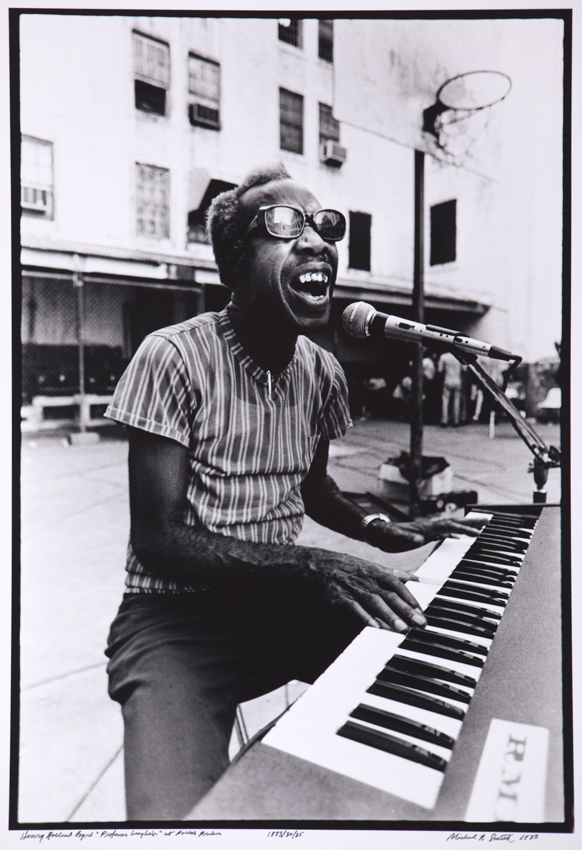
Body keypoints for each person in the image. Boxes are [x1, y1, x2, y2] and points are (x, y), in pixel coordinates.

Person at [104, 164, 484, 820]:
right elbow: (159, 540)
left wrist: (375, 527)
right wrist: (313, 563)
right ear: (231, 262)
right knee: (172, 819)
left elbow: (314, 489)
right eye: (283, 225)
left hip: (281, 604)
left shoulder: (323, 373)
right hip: (175, 620)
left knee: (451, 680)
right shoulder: (170, 356)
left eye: (324, 226)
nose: (315, 241)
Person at [438, 350, 464, 426]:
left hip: (447, 379)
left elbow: (440, 370)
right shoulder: (460, 356)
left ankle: (444, 420)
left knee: (445, 400)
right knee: (457, 400)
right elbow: (464, 369)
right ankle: (456, 420)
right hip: (457, 380)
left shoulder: (443, 356)